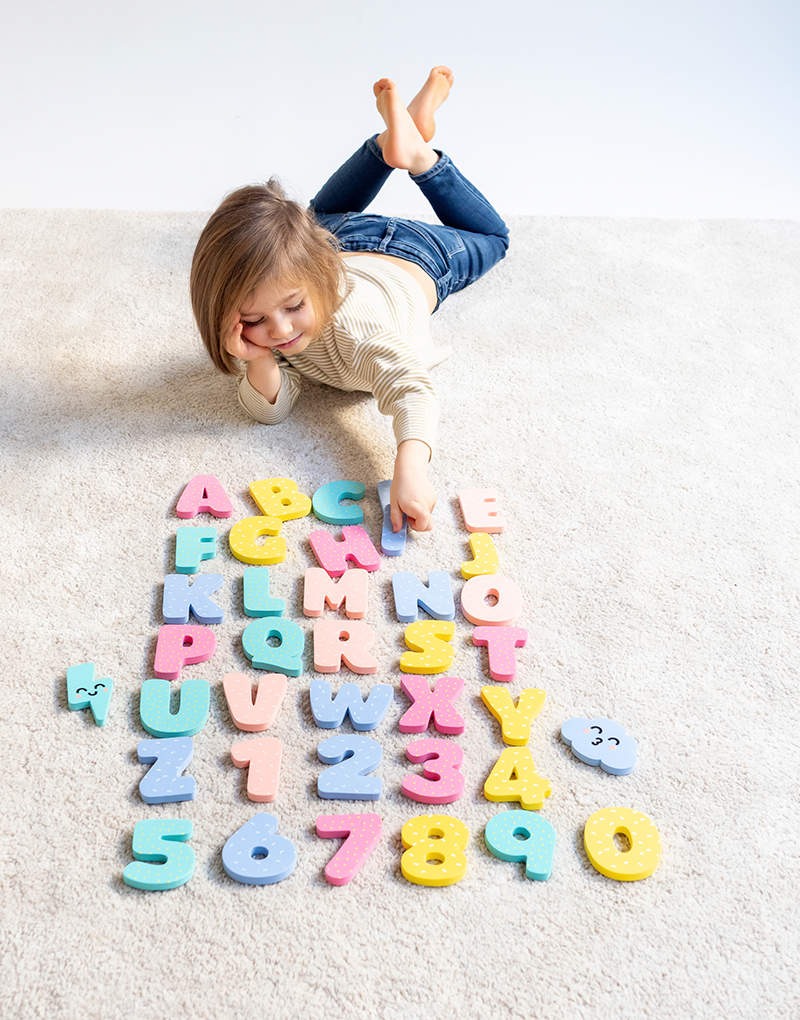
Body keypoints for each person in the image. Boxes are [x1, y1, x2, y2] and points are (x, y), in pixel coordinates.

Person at [191, 67, 509, 532]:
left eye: (294, 307)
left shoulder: (356, 333)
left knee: (493, 238)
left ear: (318, 275)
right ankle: (391, 145)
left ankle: (418, 158)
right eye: (256, 319)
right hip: (334, 236)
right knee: (314, 217)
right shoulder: (278, 304)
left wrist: (410, 470)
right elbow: (269, 412)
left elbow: (412, 390)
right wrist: (257, 358)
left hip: (413, 253)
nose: (280, 331)